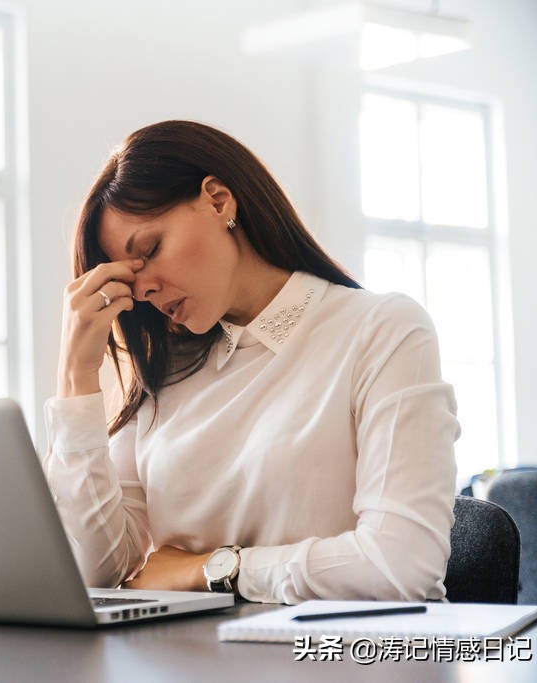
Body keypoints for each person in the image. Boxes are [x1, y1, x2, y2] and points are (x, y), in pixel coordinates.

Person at [43, 120, 460, 604]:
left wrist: (214, 570)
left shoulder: (382, 329)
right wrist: (76, 379)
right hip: (191, 662)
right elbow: (95, 570)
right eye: (131, 279)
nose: (144, 290)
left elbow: (401, 567)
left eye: (151, 250)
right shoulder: (164, 370)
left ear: (218, 200)